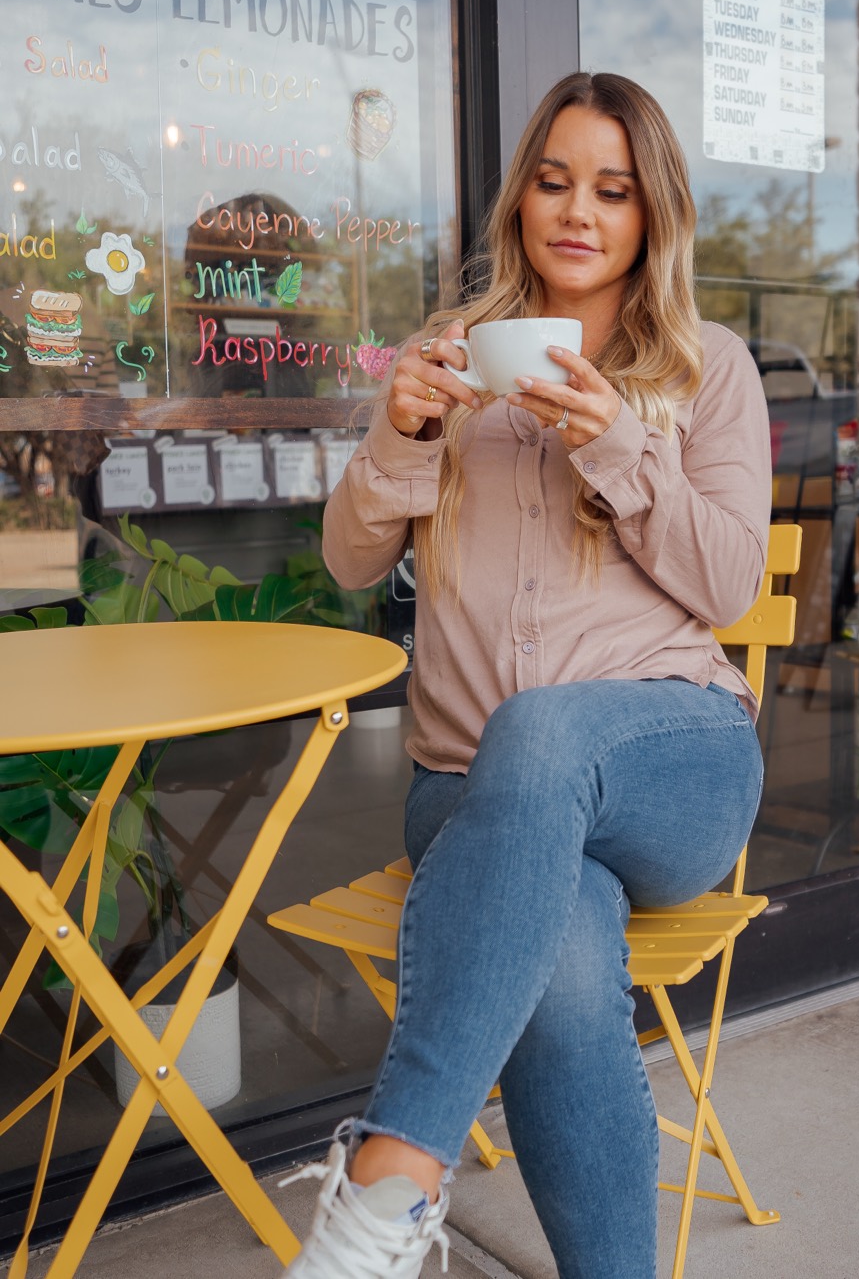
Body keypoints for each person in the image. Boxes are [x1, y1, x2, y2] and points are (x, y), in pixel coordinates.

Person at [282, 71, 772, 1278]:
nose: (578, 211)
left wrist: (615, 437)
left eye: (612, 189)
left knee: (545, 731)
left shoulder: (707, 369)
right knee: (555, 958)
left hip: (677, 765)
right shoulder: (451, 365)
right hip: (471, 792)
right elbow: (350, 562)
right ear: (521, 198)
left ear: (651, 214)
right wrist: (400, 435)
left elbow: (732, 587)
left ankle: (390, 1177)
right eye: (554, 180)